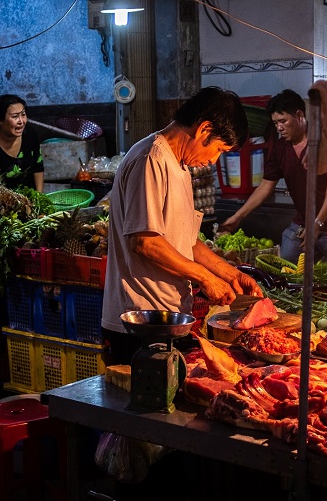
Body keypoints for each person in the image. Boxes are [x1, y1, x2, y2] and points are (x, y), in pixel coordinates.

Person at [101, 86, 264, 364]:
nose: (214, 160)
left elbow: (187, 241)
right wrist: (205, 278)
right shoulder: (151, 159)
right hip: (139, 322)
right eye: (219, 149)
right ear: (204, 130)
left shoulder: (180, 166)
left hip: (169, 318)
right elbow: (145, 242)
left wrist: (229, 274)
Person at [218, 89, 327, 264]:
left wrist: (317, 224)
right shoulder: (280, 148)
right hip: (302, 225)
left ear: (299, 115)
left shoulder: (323, 142)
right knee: (284, 266)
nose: (279, 127)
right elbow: (266, 186)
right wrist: (237, 217)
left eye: (283, 121)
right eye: (275, 123)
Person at [0, 94, 44, 191]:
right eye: (15, 116)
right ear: (0, 120)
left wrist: (39, 197)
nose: (21, 121)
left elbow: (37, 167)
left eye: (23, 114)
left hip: (31, 200)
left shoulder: (30, 135)